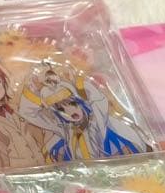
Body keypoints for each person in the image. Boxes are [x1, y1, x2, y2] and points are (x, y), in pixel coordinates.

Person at [19, 65, 150, 161]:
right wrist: (38, 97)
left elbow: (98, 98)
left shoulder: (97, 116)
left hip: (113, 158)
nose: (70, 111)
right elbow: (27, 113)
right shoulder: (63, 128)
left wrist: (77, 84)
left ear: (80, 102)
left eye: (72, 104)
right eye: (61, 110)